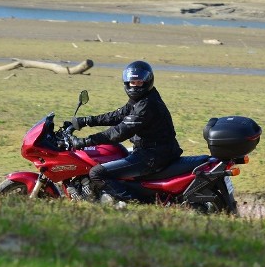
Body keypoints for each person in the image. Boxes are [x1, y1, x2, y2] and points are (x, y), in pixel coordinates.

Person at [68, 60, 183, 204]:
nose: (135, 86)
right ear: (127, 83)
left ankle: (136, 203)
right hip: (154, 150)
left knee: (97, 173)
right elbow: (118, 115)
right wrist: (86, 120)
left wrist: (85, 141)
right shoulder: (142, 98)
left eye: (139, 82)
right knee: (112, 154)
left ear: (147, 81)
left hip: (153, 155)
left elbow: (119, 133)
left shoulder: (146, 105)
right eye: (132, 82)